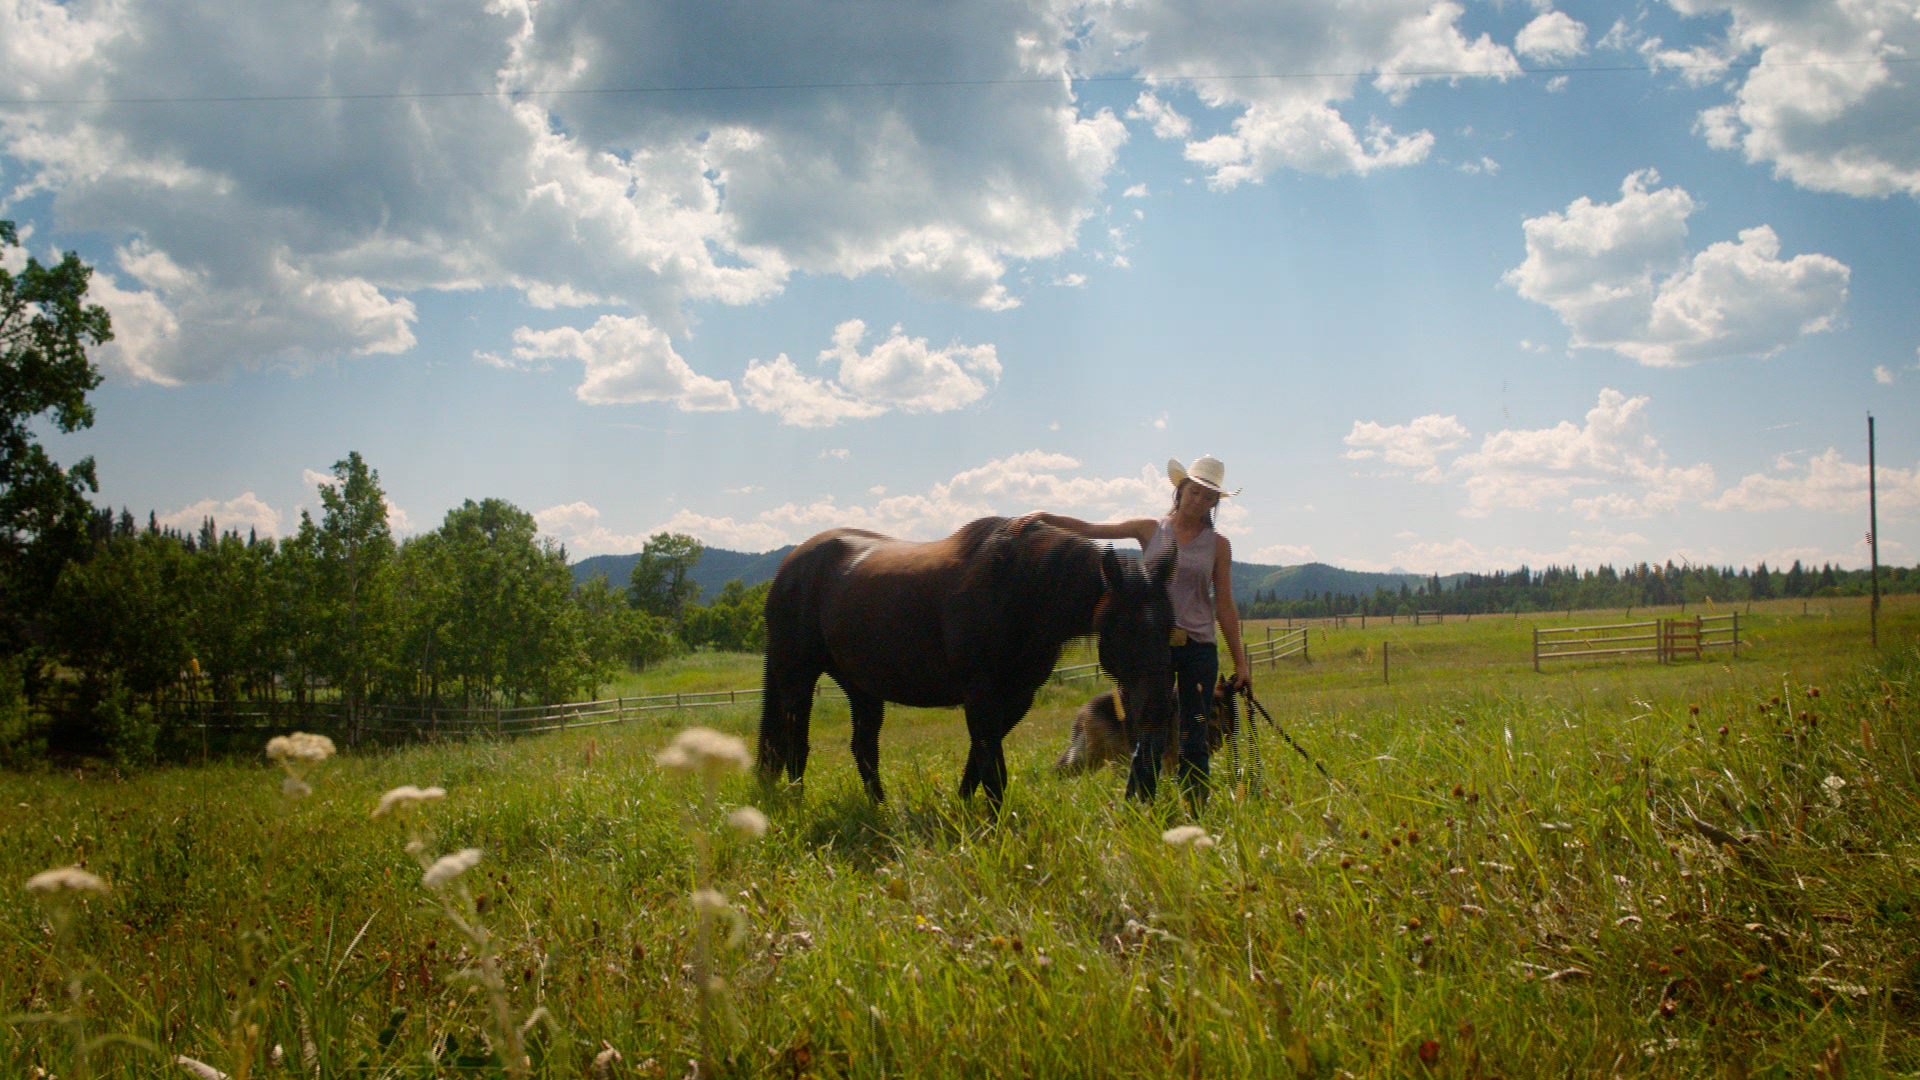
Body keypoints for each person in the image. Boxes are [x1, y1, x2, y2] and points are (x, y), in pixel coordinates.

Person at [1008, 454, 1252, 804]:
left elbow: (1224, 604)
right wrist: (1044, 518)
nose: (1198, 500)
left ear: (1215, 503)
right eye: (1194, 491)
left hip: (1199, 648)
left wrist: (1240, 663)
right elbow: (1092, 530)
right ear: (1180, 490)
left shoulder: (1218, 545)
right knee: (1149, 730)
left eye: (1208, 496)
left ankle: (1196, 809)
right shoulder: (1150, 529)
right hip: (1154, 648)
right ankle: (1140, 807)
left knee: (1195, 734)